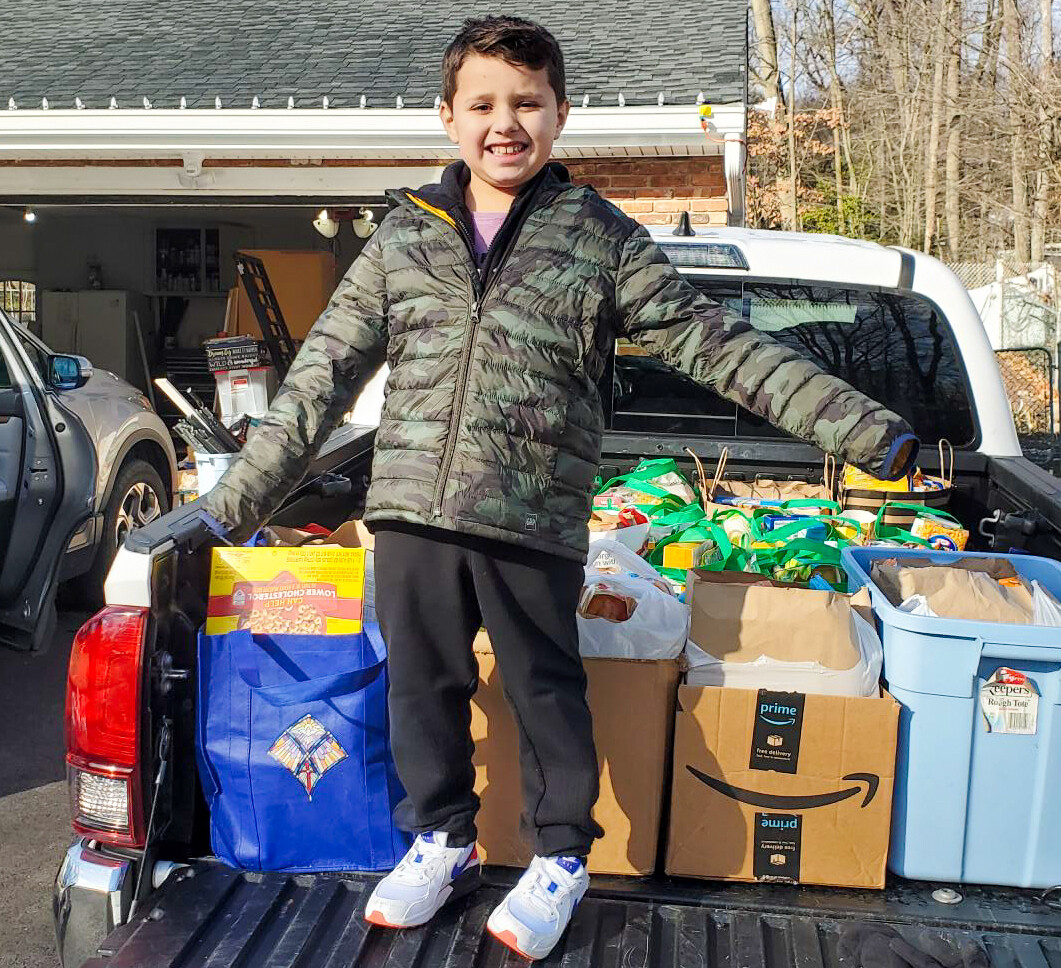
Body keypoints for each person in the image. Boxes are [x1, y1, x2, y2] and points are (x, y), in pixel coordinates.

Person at [202, 15, 919, 961]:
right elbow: (319, 379)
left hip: (530, 515)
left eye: (527, 104)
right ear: (449, 118)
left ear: (561, 114)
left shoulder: (601, 239)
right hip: (411, 512)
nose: (506, 124)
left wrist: (862, 428)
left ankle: (561, 858)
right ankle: (439, 840)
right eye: (485, 105)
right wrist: (229, 505)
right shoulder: (400, 239)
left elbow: (717, 343)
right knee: (423, 687)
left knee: (545, 692)